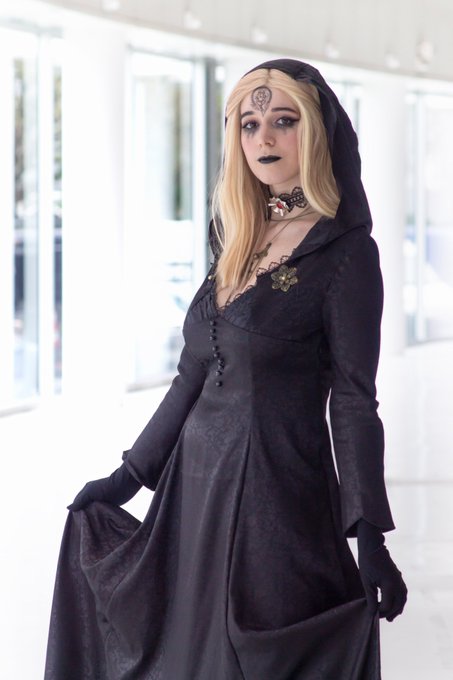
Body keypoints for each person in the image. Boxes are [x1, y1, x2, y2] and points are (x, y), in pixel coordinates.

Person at [45, 58, 407, 680]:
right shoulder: (239, 237)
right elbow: (191, 375)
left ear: (317, 132)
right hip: (194, 494)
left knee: (261, 653)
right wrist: (127, 477)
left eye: (284, 121)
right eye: (249, 123)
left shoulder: (347, 255)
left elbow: (353, 400)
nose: (264, 137)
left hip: (276, 499)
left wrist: (369, 532)